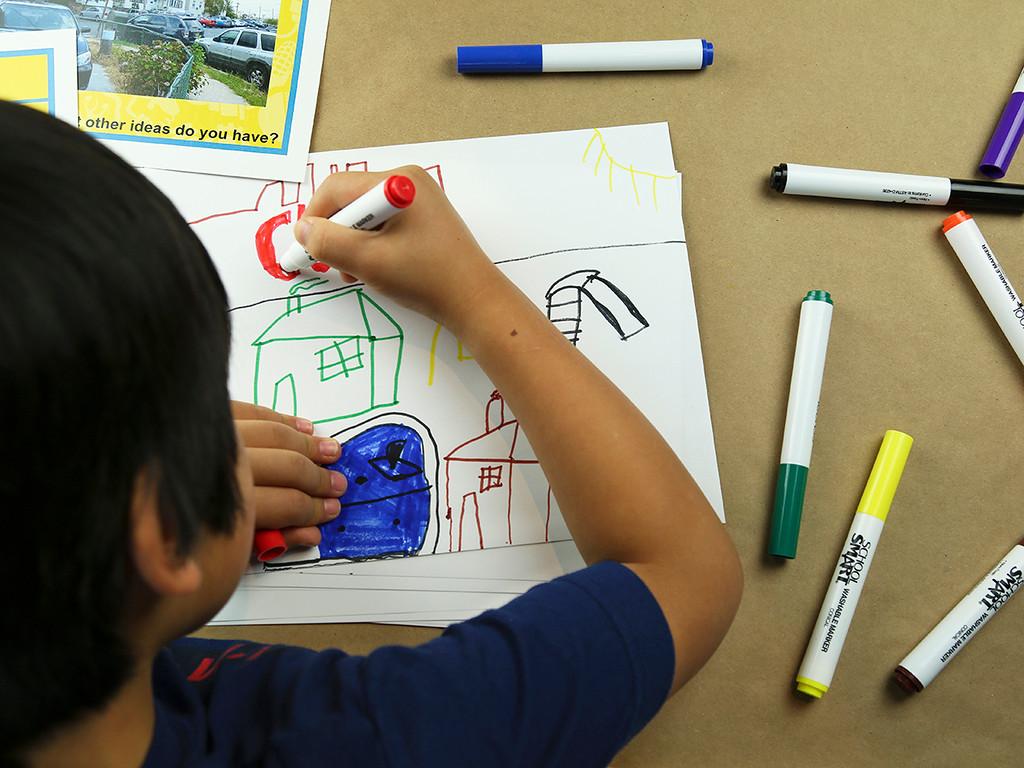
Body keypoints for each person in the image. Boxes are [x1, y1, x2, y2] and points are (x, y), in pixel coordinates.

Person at [0, 101, 742, 768]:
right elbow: (684, 575)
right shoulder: (377, 741)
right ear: (163, 536)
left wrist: (119, 483)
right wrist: (475, 296)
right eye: (199, 404)